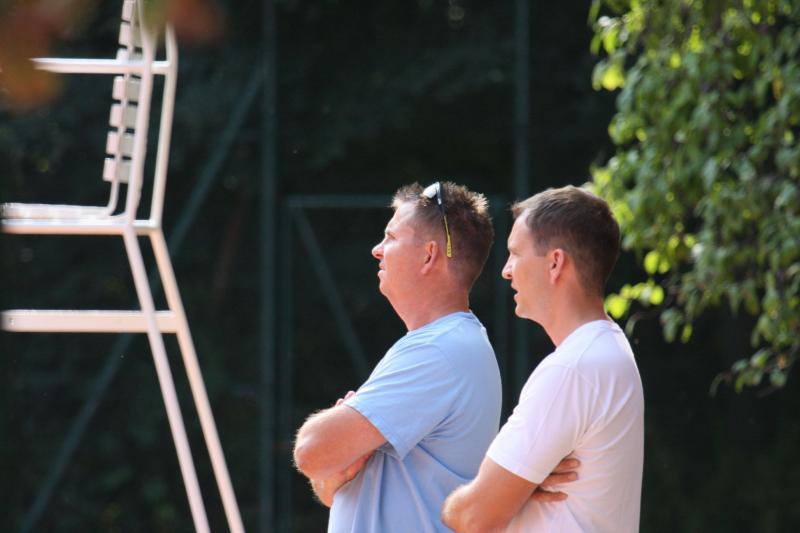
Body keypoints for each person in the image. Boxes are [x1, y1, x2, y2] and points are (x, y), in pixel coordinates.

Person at [293, 181, 502, 532]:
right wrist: (336, 462)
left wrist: (335, 439)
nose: (377, 250)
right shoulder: (444, 345)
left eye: (390, 237)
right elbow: (331, 487)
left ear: (429, 255)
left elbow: (311, 450)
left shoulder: (438, 351)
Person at [442, 185, 645, 532]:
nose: (506, 270)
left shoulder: (572, 368)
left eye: (515, 254)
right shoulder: (608, 349)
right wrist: (519, 485)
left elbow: (471, 517)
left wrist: (503, 491)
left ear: (555, 263)